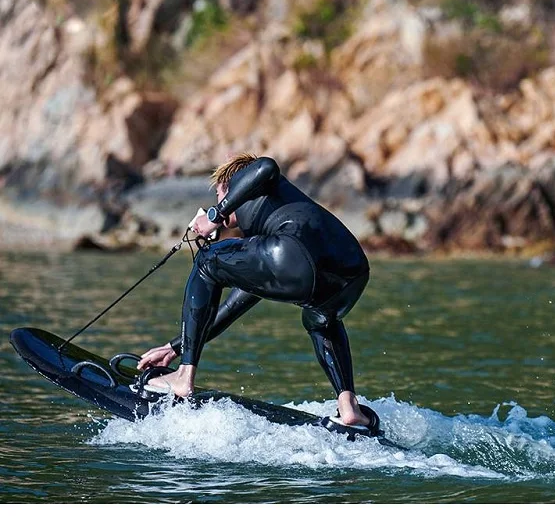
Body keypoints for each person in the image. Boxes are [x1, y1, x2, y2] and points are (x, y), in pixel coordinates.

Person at [135, 152, 378, 433]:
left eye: (219, 195)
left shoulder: (256, 179)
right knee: (320, 321)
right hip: (352, 276)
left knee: (206, 260)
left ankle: (183, 378)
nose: (218, 203)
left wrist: (217, 214)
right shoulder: (272, 228)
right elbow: (231, 307)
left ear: (232, 186)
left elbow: (266, 166)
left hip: (296, 256)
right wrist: (174, 347)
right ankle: (349, 408)